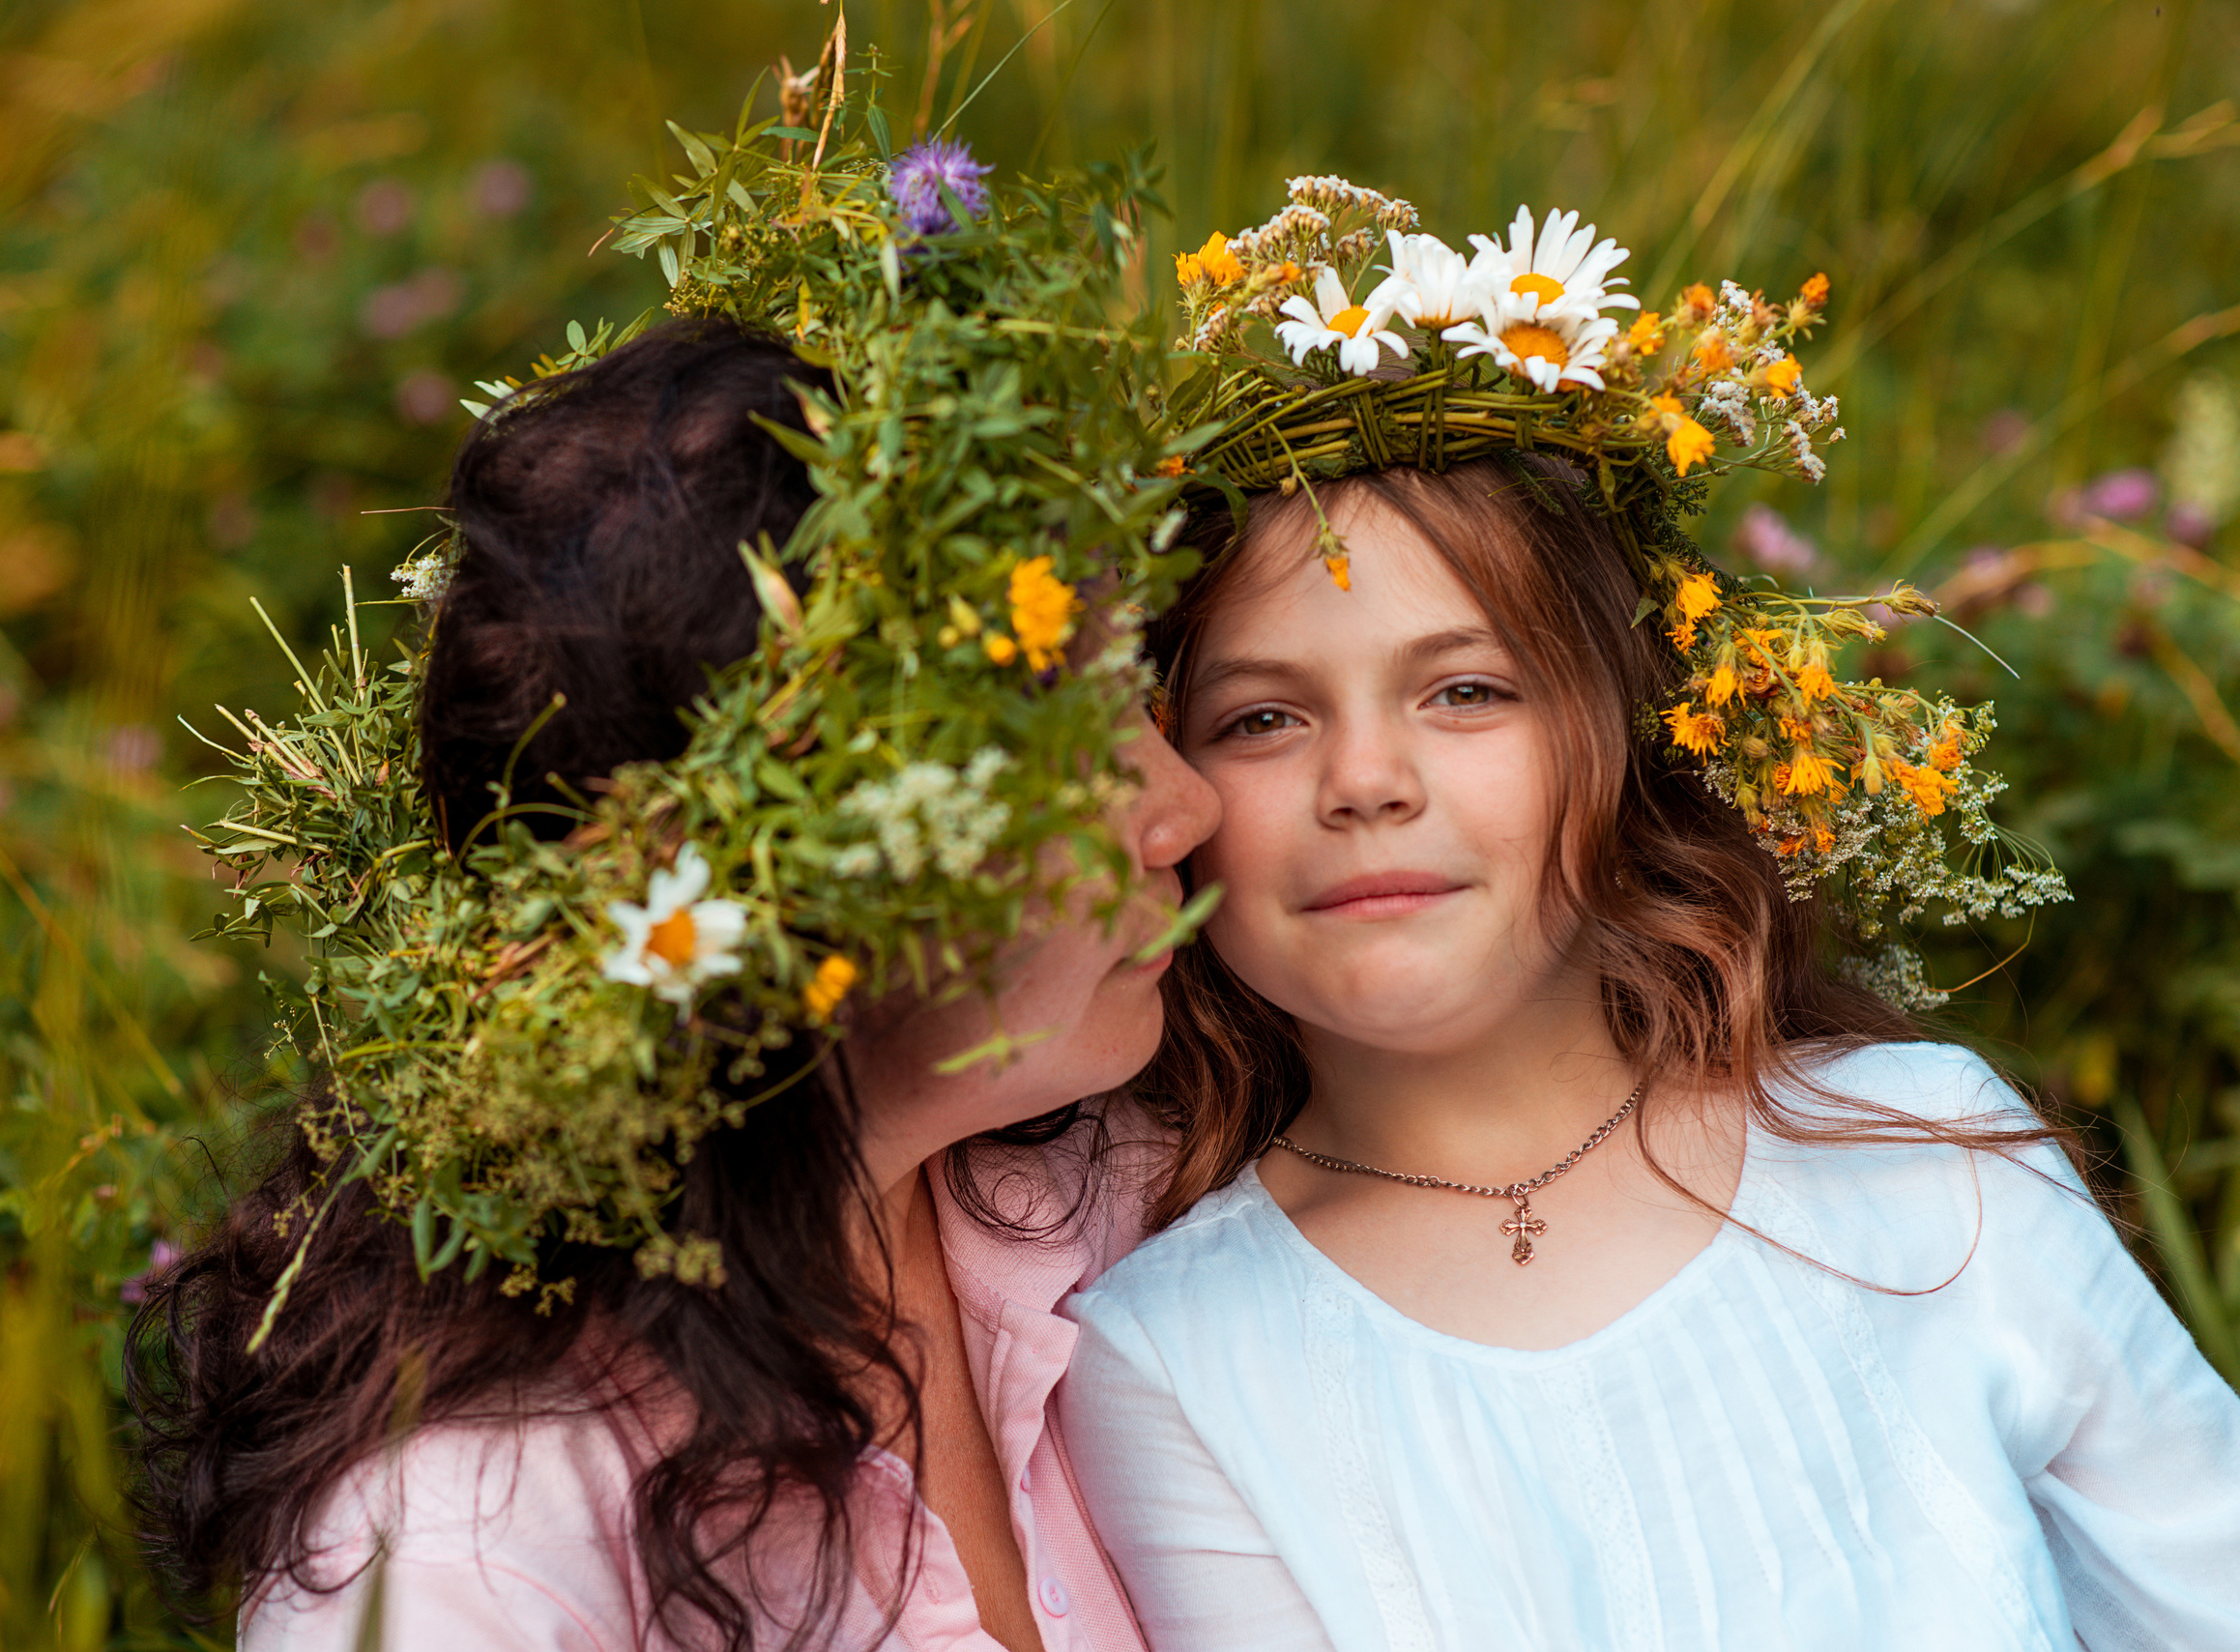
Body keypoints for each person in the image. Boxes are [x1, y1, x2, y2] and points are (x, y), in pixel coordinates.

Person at [1057, 184, 2240, 1651]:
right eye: (1262, 716)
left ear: (1619, 739)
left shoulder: (1934, 1166)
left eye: (1465, 689)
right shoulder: (1173, 1355)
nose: (1364, 779)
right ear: (1168, 792)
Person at [128, 314, 1217, 1652]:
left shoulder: (1123, 1200)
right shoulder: (470, 1564)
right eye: (1072, 751)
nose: (1185, 803)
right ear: (802, 872)